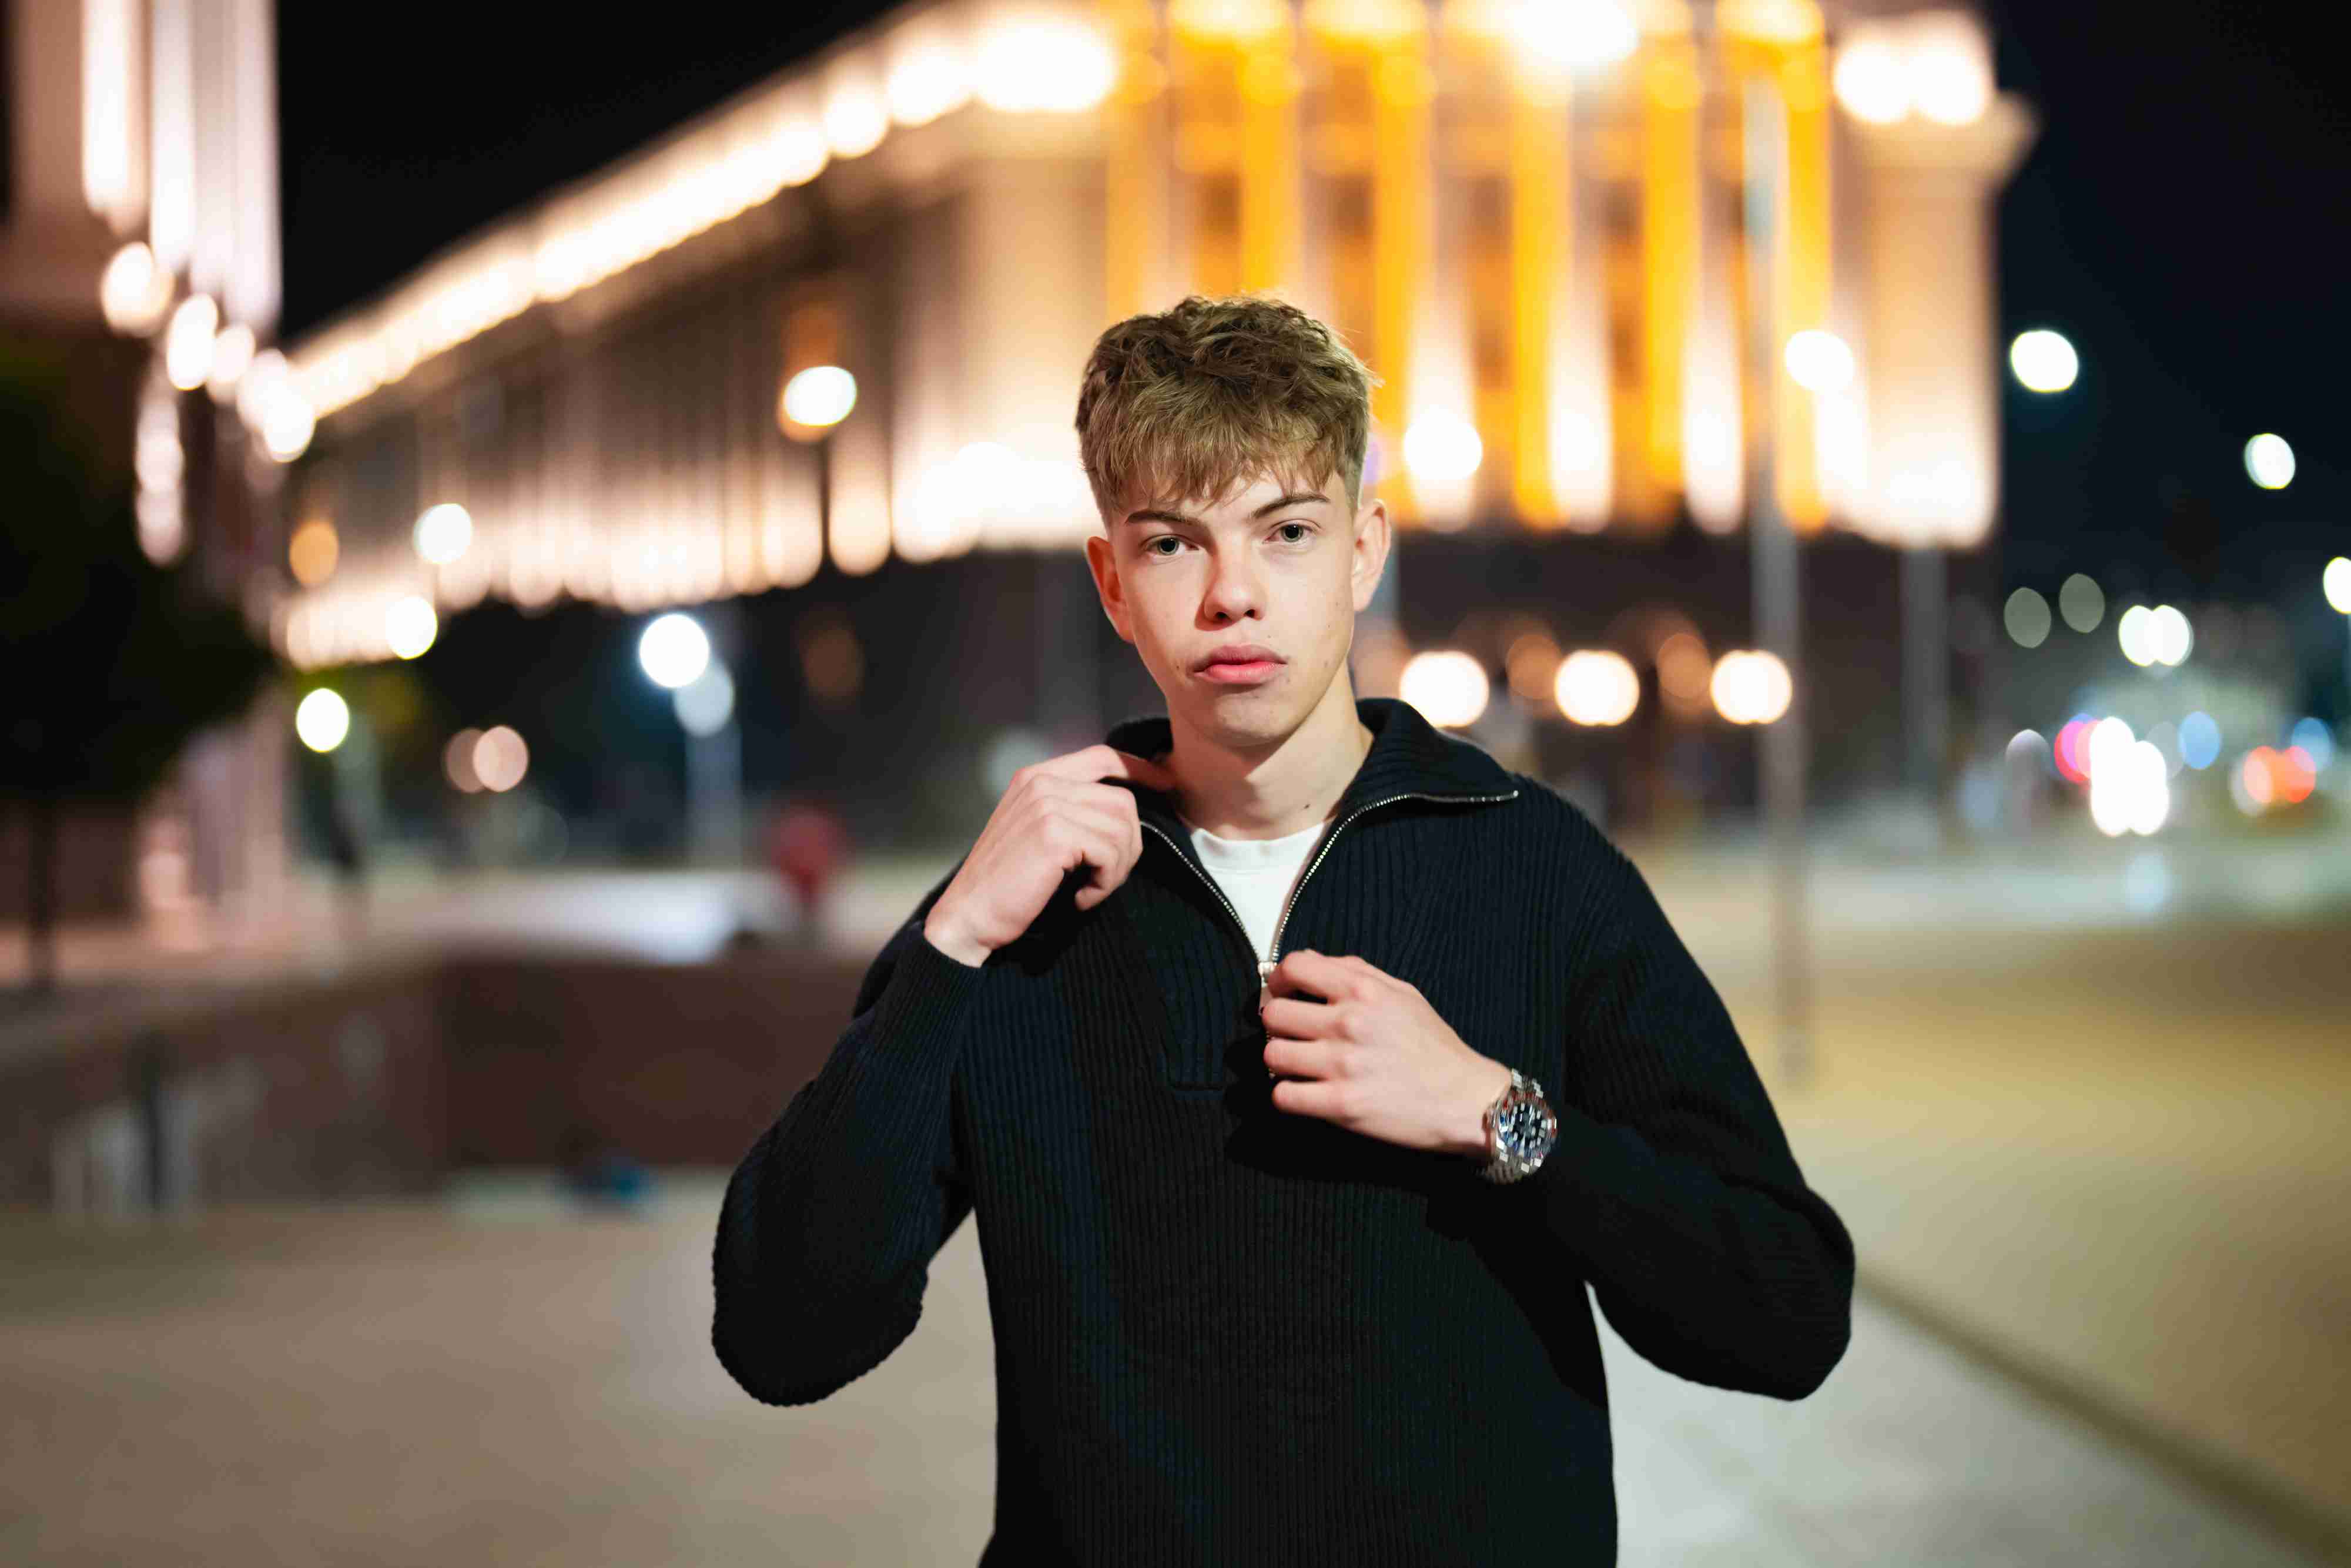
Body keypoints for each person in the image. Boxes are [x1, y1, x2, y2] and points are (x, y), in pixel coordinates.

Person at [711, 294, 1853, 1565]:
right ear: (1111, 583)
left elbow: (1786, 1314)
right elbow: (781, 1337)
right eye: (1172, 543)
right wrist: (952, 943)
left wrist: (1497, 1115)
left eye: (1287, 532)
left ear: (1363, 552)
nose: (1232, 596)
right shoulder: (1016, 912)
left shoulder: (1534, 868)